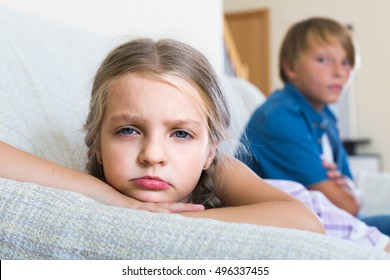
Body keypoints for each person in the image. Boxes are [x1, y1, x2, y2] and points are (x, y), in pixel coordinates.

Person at [0, 38, 324, 234]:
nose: (153, 155)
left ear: (209, 150)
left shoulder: (218, 169)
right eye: (128, 130)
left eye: (181, 134)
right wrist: (104, 196)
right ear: (96, 141)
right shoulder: (99, 189)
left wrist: (161, 221)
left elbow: (306, 222)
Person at [237, 17, 390, 237]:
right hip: (307, 227)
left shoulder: (325, 115)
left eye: (347, 62)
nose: (340, 71)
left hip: (339, 222)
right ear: (290, 67)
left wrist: (351, 191)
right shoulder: (279, 117)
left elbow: (347, 186)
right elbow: (347, 205)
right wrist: (354, 195)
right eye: (323, 59)